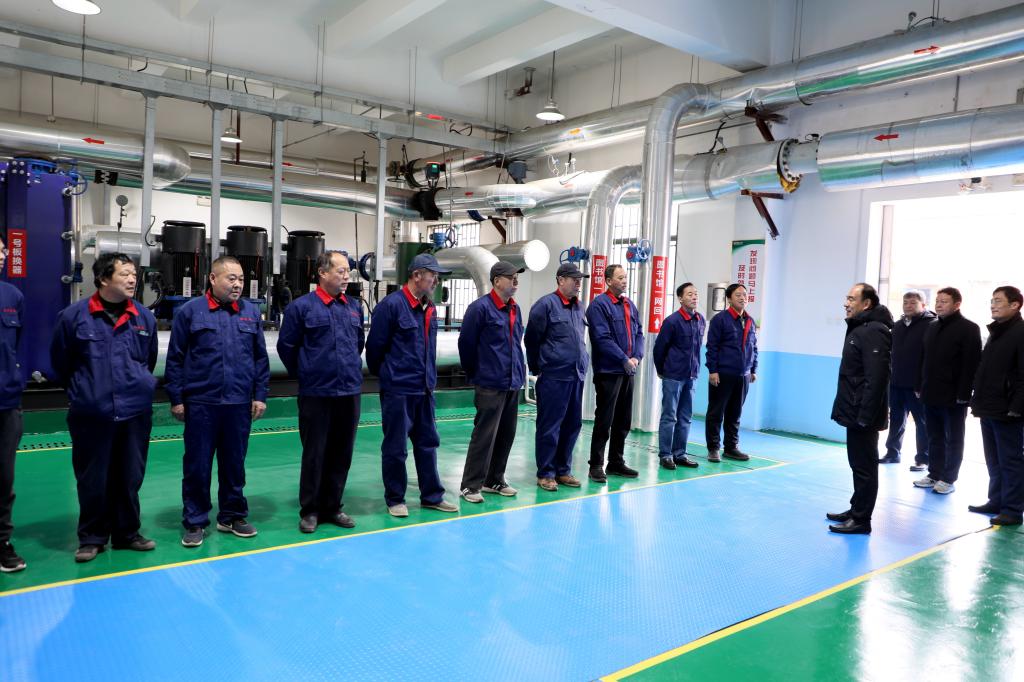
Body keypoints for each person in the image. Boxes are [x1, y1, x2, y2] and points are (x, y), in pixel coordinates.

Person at [50, 253, 159, 562]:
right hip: (92, 411)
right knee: (92, 477)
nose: (132, 279)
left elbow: (148, 360)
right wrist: (84, 391)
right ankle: (92, 537)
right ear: (102, 278)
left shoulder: (144, 317)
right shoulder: (73, 316)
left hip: (135, 411)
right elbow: (60, 362)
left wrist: (139, 384)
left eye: (134, 274)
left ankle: (127, 533)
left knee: (130, 475)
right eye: (125, 274)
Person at [166, 255, 270, 548]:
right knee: (197, 465)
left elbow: (260, 359)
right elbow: (175, 358)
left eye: (241, 279)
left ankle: (232, 515)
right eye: (231, 278)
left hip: (238, 402)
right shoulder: (190, 312)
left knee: (234, 464)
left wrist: (260, 395)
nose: (238, 285)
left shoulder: (250, 313)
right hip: (202, 402)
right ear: (213, 279)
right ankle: (195, 520)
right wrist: (177, 398)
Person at [366, 253, 458, 517]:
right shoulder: (391, 306)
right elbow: (374, 350)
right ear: (417, 275)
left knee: (428, 443)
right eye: (433, 275)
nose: (436, 281)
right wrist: (391, 376)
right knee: (396, 448)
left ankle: (432, 496)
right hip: (399, 390)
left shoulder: (430, 308)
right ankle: (395, 499)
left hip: (425, 389)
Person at [277, 251, 364, 533]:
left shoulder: (353, 307)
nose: (346, 276)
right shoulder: (301, 308)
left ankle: (332, 506)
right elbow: (286, 347)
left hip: (349, 391)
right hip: (316, 392)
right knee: (315, 453)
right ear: (322, 273)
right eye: (341, 271)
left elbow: (358, 343)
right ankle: (311, 510)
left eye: (348, 271)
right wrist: (308, 373)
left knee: (342, 452)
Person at [457, 261, 526, 503]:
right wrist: (478, 373)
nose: (515, 281)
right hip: (490, 382)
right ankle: (470, 485)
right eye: (511, 277)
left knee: (507, 434)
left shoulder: (515, 308)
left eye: (517, 277)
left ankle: (494, 479)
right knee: (484, 435)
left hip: (512, 382)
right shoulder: (480, 309)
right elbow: (466, 345)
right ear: (497, 281)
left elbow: (516, 343)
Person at [828, 283, 893, 535]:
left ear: (866, 304)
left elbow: (877, 378)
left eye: (852, 299)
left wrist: (865, 416)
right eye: (846, 298)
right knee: (857, 464)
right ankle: (856, 508)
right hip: (854, 410)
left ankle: (861, 520)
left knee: (865, 467)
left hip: (862, 414)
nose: (846, 303)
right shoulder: (860, 328)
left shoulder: (875, 331)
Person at [524, 263, 589, 492]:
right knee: (550, 426)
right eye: (574, 279)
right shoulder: (545, 305)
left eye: (580, 279)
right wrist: (538, 367)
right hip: (554, 375)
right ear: (561, 280)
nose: (578, 283)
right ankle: (546, 473)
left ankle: (563, 470)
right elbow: (531, 340)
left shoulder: (579, 306)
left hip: (576, 375)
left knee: (572, 425)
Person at [914, 287, 981, 495]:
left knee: (954, 439)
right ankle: (934, 473)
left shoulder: (969, 328)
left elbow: (971, 364)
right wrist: (919, 385)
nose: (939, 304)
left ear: (957, 304)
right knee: (934, 436)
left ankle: (948, 478)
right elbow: (923, 359)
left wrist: (964, 394)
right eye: (937, 300)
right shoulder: (932, 326)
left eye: (944, 301)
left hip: (954, 396)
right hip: (930, 392)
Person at [968, 286, 1024, 526]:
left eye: (998, 301)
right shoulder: (996, 332)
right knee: (993, 459)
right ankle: (997, 500)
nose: (993, 305)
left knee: (1010, 461)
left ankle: (1012, 509)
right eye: (992, 300)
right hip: (989, 406)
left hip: (1008, 409)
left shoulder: (1020, 332)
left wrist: (1016, 407)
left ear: (1015, 304)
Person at [586, 264, 643, 482]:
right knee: (604, 419)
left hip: (628, 370)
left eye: (625, 277)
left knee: (623, 419)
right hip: (609, 371)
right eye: (620, 277)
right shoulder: (599, 305)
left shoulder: (629, 304)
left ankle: (616, 462)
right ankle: (596, 465)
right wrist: (623, 359)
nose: (624, 280)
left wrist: (636, 357)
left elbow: (639, 333)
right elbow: (602, 338)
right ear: (608, 281)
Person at [653, 282, 705, 470]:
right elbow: (659, 349)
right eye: (690, 294)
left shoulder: (700, 320)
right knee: (669, 416)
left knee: (685, 417)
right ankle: (666, 455)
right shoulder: (672, 321)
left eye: (696, 294)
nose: (694, 297)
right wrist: (662, 370)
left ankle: (680, 454)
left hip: (691, 376)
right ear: (680, 298)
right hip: (673, 376)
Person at [704, 283, 758, 462]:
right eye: (738, 295)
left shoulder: (750, 320)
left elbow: (753, 346)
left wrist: (753, 369)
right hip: (723, 374)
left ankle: (731, 447)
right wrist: (713, 370)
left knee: (735, 413)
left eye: (745, 295)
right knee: (716, 413)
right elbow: (712, 347)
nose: (743, 298)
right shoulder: (720, 320)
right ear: (729, 299)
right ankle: (713, 448)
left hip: (743, 375)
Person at [881, 291, 935, 468]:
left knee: (922, 422)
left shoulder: (931, 325)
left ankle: (923, 458)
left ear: (923, 305)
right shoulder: (897, 326)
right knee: (896, 420)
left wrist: (924, 382)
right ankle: (892, 452)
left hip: (917, 385)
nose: (908, 306)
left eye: (913, 303)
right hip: (896, 382)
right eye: (905, 302)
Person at [0, 235, 26, 572]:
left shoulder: (12, 296)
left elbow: (18, 344)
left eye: (4, 249)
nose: (4, 254)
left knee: (3, 478)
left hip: (6, 402)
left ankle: (1, 542)